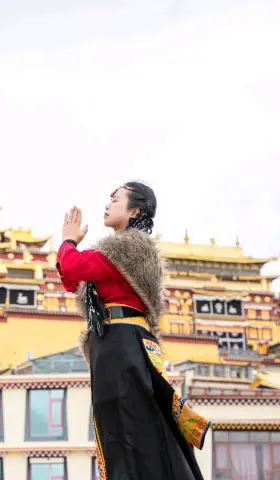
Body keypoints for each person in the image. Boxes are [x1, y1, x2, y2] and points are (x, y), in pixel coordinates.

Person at [56, 182, 210, 480]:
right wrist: (69, 248)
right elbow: (71, 279)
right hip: (113, 343)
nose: (107, 204)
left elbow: (73, 269)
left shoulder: (130, 247)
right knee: (120, 426)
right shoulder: (116, 252)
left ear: (135, 210)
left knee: (130, 427)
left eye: (115, 200)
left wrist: (68, 242)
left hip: (122, 342)